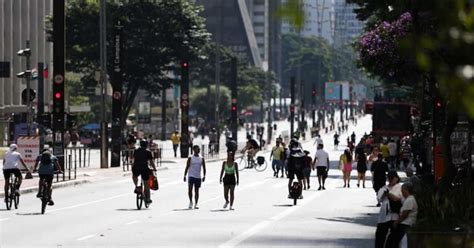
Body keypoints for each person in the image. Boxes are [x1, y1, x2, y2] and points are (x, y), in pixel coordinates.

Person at [374, 171, 403, 248]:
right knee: (380, 236)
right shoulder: (384, 188)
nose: (391, 180)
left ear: (396, 178)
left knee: (393, 238)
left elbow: (398, 199)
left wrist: (389, 194)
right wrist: (384, 193)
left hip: (395, 216)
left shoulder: (400, 187)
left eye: (392, 178)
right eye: (389, 178)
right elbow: (379, 199)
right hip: (384, 216)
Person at [386, 182, 418, 248]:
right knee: (392, 240)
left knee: (393, 241)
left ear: (406, 190)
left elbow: (404, 214)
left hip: (405, 224)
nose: (402, 192)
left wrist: (396, 222)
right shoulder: (407, 199)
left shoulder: (410, 200)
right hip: (403, 224)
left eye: (402, 190)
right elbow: (398, 199)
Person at [132, 140, 157, 204]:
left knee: (134, 176)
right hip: (144, 168)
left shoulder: (136, 151)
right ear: (146, 145)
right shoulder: (148, 152)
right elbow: (151, 162)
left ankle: (136, 186)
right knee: (146, 183)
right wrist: (154, 169)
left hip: (136, 167)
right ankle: (148, 199)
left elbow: (133, 159)